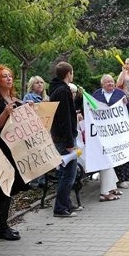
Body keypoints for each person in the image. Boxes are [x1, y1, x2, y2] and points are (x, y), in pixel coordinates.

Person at [0, 65, 28, 239]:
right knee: (2, 188)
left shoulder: (13, 98)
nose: (8, 79)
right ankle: (1, 227)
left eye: (10, 76)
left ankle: (3, 225)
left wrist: (27, 108)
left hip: (13, 150)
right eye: (4, 77)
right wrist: (5, 113)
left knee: (10, 187)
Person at [91, 74, 129, 202]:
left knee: (120, 153)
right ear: (102, 84)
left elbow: (128, 107)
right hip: (104, 132)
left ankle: (122, 179)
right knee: (108, 156)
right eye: (107, 82)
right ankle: (110, 184)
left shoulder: (120, 93)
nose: (110, 84)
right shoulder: (97, 94)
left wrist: (127, 102)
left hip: (118, 131)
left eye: (112, 82)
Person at [48, 61, 79, 218]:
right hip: (63, 138)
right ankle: (60, 207)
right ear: (68, 73)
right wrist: (69, 142)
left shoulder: (55, 89)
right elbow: (65, 117)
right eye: (72, 72)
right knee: (68, 174)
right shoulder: (63, 91)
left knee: (65, 172)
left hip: (59, 135)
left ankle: (66, 203)